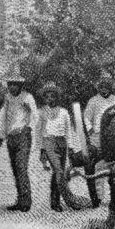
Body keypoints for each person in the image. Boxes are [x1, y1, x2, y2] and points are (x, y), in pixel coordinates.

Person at [0, 68, 39, 213]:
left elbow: (35, 116)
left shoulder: (27, 97)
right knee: (15, 169)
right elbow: (4, 119)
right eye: (10, 84)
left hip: (23, 136)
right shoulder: (7, 98)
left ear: (20, 85)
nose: (12, 87)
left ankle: (26, 202)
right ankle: (20, 200)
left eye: (15, 84)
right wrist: (0, 138)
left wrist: (28, 128)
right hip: (11, 138)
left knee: (21, 168)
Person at [83, 71, 115, 207]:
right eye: (101, 85)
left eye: (106, 85)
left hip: (114, 137)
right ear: (98, 87)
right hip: (98, 136)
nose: (104, 88)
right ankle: (99, 197)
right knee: (99, 165)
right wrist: (90, 128)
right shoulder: (93, 101)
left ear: (110, 87)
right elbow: (87, 117)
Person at [37, 82, 75, 212]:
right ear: (44, 98)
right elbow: (39, 132)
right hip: (49, 143)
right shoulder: (41, 112)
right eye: (47, 97)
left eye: (53, 96)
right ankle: (62, 200)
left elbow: (68, 131)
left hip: (62, 143)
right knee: (58, 171)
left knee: (58, 173)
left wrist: (70, 147)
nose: (50, 99)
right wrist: (42, 150)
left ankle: (55, 200)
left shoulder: (64, 112)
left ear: (57, 97)